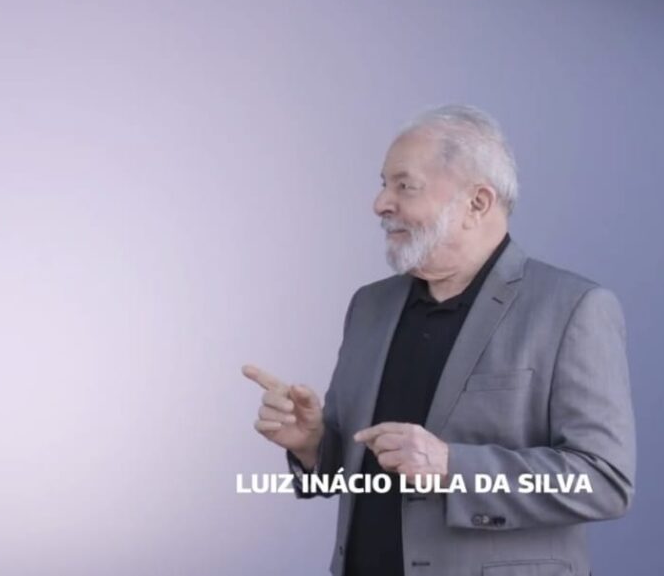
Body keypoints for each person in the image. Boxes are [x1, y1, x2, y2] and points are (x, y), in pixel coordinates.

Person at [244, 105, 634, 576]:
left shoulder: (573, 308)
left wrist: (452, 466)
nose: (380, 203)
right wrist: (312, 444)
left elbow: (604, 481)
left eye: (404, 186)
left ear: (478, 203)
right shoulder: (369, 306)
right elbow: (351, 472)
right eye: (383, 184)